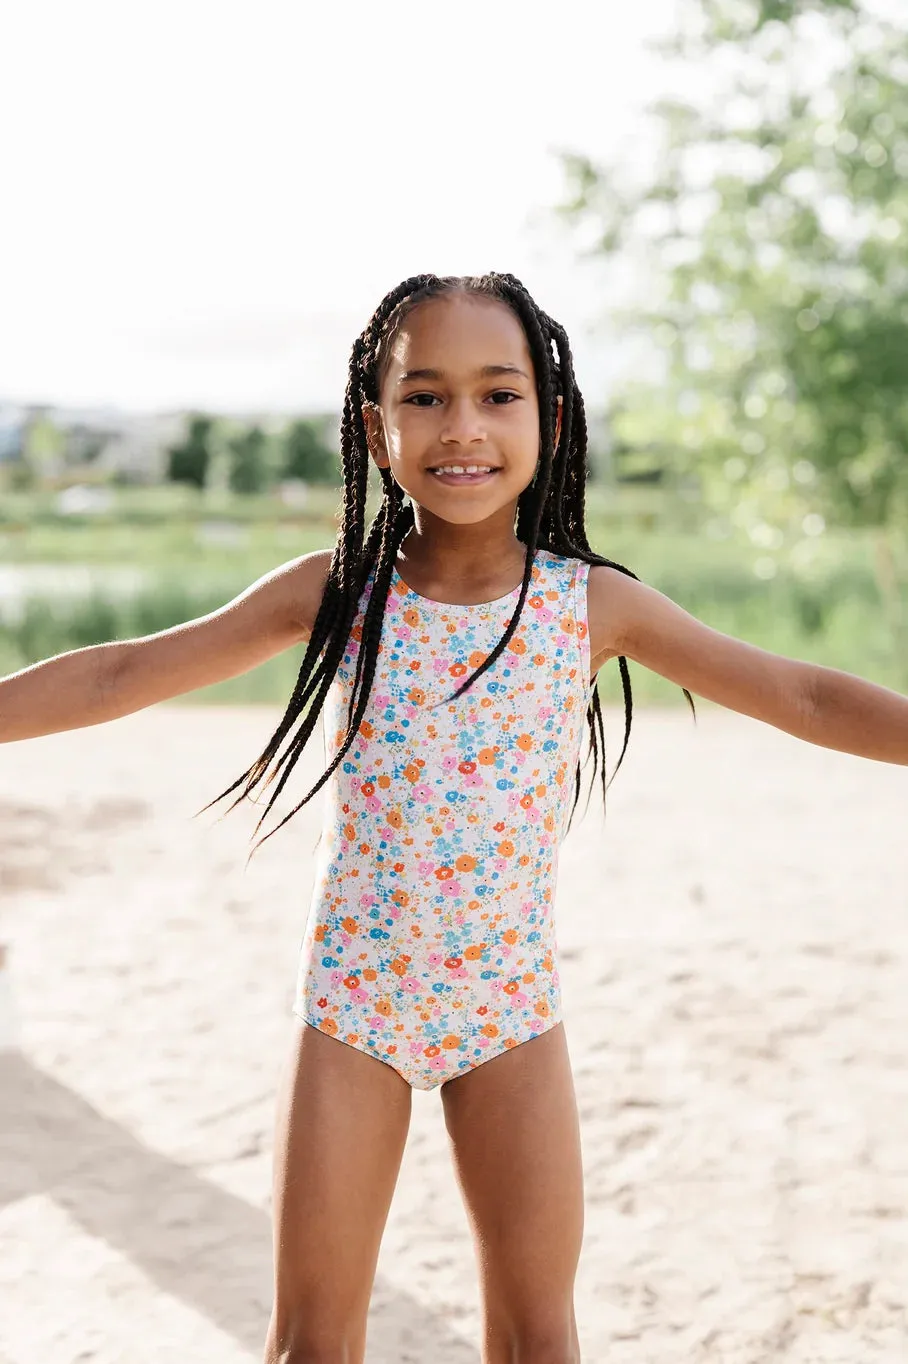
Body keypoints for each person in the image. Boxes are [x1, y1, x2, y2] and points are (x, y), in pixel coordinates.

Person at [2, 271, 906, 1364]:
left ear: (550, 419)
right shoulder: (337, 587)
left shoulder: (591, 604)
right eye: (422, 397)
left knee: (536, 1337)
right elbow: (121, 674)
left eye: (496, 393)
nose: (461, 426)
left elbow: (799, 693)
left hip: (511, 1008)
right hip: (352, 1008)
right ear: (375, 429)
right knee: (311, 1343)